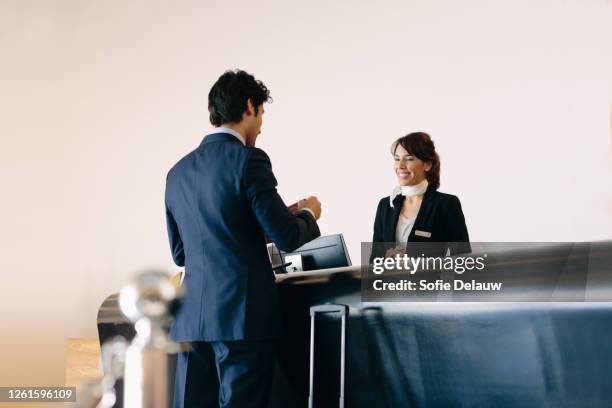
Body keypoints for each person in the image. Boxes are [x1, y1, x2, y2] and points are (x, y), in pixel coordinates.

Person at [165, 69, 322, 408]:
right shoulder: (249, 161)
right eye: (262, 113)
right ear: (250, 106)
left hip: (192, 320)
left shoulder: (176, 173)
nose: (262, 125)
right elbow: (287, 235)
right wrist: (309, 214)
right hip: (242, 319)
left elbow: (181, 253)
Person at [371, 132, 470, 259]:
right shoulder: (385, 206)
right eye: (397, 159)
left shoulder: (446, 204)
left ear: (427, 164)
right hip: (390, 279)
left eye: (409, 159)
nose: (400, 166)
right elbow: (373, 261)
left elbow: (463, 259)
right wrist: (385, 258)